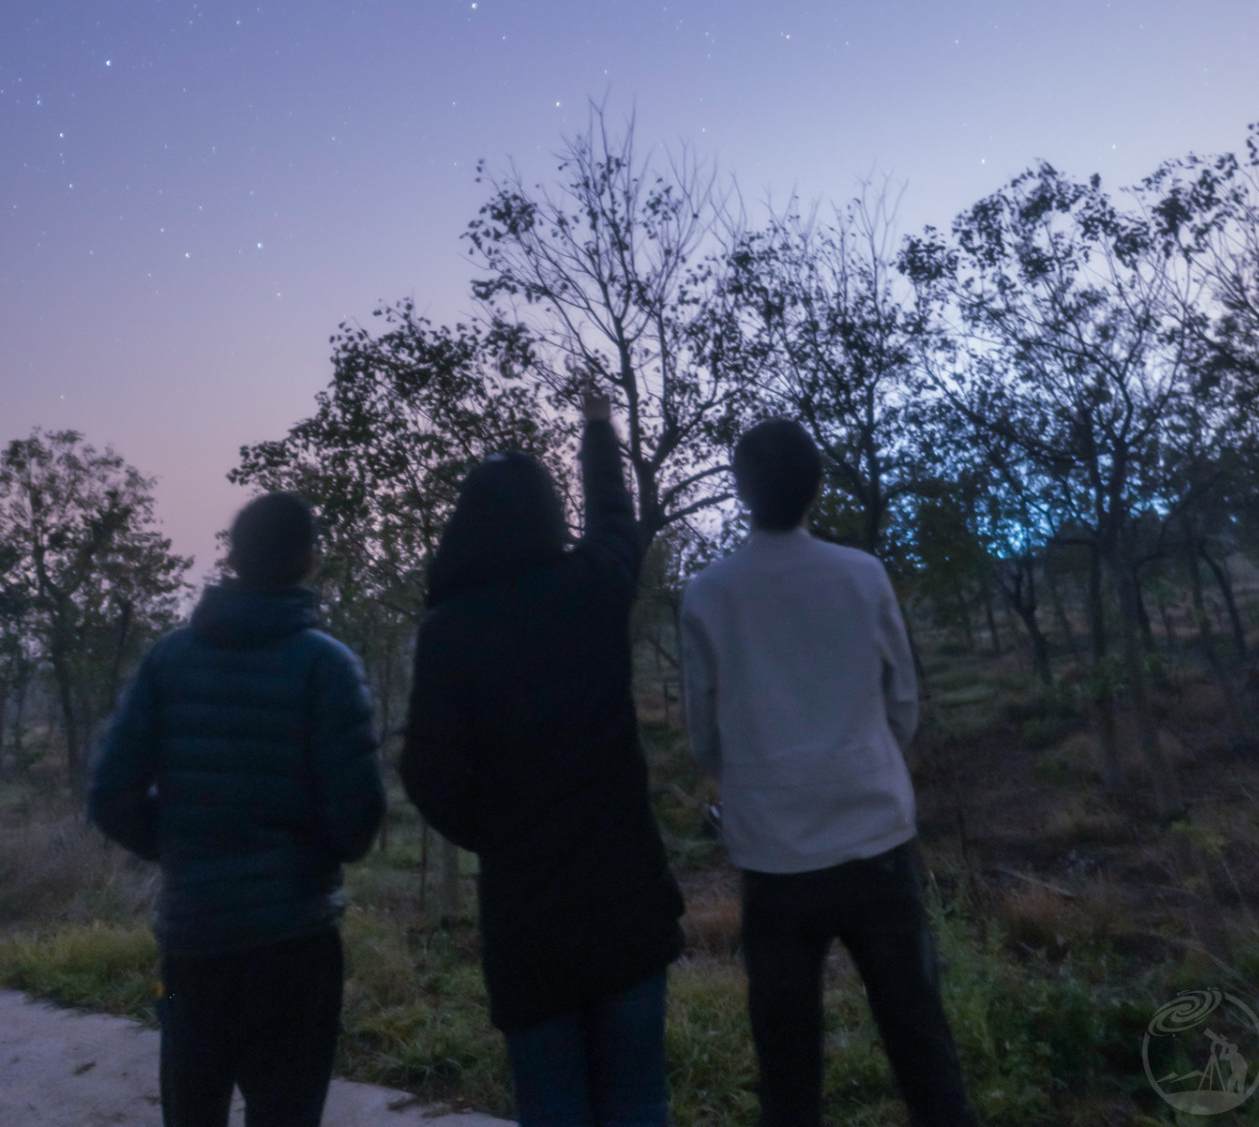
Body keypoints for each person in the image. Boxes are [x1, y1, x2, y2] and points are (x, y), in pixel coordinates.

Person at [680, 418, 978, 1127]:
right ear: (817, 487)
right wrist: (863, 761)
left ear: (741, 492)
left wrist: (757, 779)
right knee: (920, 1043)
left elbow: (703, 737)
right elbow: (900, 703)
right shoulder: (861, 574)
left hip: (772, 859)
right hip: (874, 839)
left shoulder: (707, 593)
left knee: (786, 1070)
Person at [400, 389, 684, 1127]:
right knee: (638, 1100)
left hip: (527, 923)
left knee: (551, 1109)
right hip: (625, 898)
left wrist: (499, 832)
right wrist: (596, 430)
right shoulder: (589, 589)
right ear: (550, 519)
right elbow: (618, 523)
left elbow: (427, 776)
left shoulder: (449, 632)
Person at [89, 491, 386, 1127]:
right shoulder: (328, 668)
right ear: (309, 561)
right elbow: (357, 825)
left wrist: (178, 848)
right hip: (296, 947)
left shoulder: (169, 660)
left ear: (233, 555)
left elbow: (109, 793)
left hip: (194, 945)